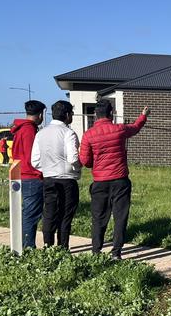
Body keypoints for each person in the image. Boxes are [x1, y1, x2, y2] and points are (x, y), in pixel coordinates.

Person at [79, 99, 149, 259]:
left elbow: (85, 161)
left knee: (98, 218)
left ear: (96, 115)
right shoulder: (119, 129)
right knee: (120, 217)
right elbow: (135, 128)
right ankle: (116, 252)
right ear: (111, 113)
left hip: (100, 182)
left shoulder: (88, 135)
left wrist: (94, 163)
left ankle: (96, 252)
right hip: (120, 180)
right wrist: (143, 116)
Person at [31, 101, 80, 249]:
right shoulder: (68, 133)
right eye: (71, 113)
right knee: (65, 215)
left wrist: (48, 168)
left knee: (49, 213)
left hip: (49, 178)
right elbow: (73, 158)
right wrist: (76, 167)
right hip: (67, 180)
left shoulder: (41, 133)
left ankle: (47, 245)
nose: (71, 116)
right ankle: (63, 246)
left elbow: (35, 161)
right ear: (66, 115)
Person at [11, 100, 45, 249]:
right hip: (31, 176)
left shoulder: (20, 128)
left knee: (28, 212)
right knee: (31, 214)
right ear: (39, 115)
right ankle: (28, 246)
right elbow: (33, 156)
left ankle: (26, 244)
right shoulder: (29, 130)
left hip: (21, 174)